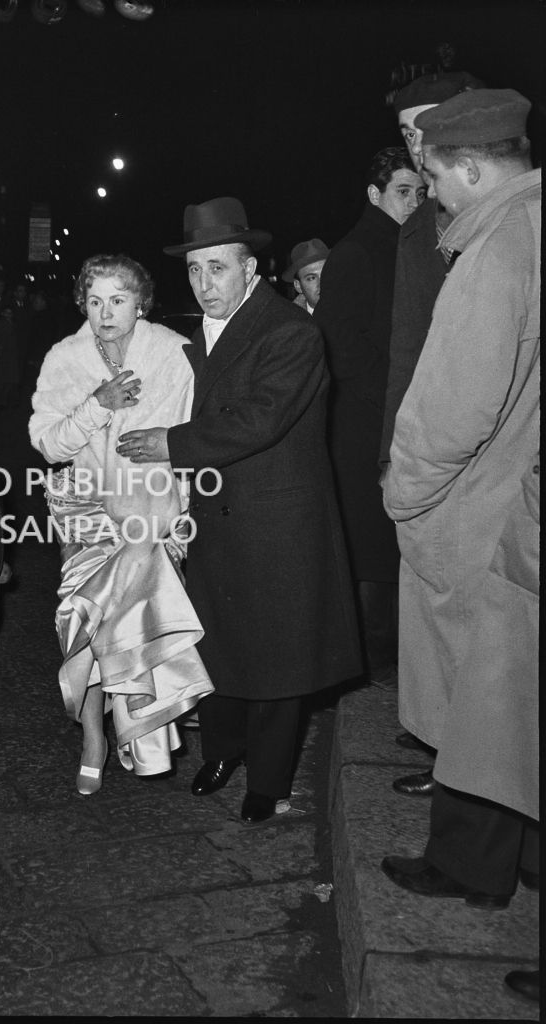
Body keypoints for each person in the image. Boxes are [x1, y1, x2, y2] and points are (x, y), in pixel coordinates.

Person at [119, 198, 360, 823]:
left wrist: (169, 443)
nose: (205, 284)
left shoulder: (290, 331)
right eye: (194, 270)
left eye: (218, 268)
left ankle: (269, 782)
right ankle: (223, 752)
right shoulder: (196, 332)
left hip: (274, 522)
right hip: (215, 516)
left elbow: (259, 420)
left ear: (250, 269)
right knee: (217, 644)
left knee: (277, 658)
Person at [380, 89, 539, 912]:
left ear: (472, 169)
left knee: (476, 703)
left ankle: (467, 866)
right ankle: (520, 861)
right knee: (515, 705)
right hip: (518, 506)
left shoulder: (493, 250)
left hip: (474, 511)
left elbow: (451, 408)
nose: (433, 192)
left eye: (437, 176)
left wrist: (401, 493)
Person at [29, 254, 214, 795]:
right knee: (83, 623)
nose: (105, 313)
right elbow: (47, 445)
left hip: (152, 516)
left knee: (129, 625)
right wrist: (97, 405)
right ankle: (93, 738)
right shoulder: (65, 358)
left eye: (117, 300)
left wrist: (181, 504)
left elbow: (197, 434)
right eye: (94, 301)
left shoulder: (175, 354)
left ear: (141, 303)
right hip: (84, 512)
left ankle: (137, 731)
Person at [380, 68, 485, 781]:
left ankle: (464, 762)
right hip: (424, 441)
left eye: (427, 127)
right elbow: (404, 347)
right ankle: (441, 741)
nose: (417, 145)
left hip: (473, 443)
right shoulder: (419, 224)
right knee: (429, 604)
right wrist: (390, 449)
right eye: (405, 132)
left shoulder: (488, 218)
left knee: (469, 611)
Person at [314, 148, 425, 691]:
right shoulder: (357, 251)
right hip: (368, 423)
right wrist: (401, 394)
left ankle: (383, 667)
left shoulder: (409, 246)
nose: (414, 202)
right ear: (374, 194)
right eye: (403, 192)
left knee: (389, 549)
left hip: (394, 417)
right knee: (371, 552)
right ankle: (367, 671)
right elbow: (341, 344)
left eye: (420, 192)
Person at [281, 238, 328, 314]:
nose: (322, 283)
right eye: (311, 278)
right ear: (298, 286)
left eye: (326, 274)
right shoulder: (289, 319)